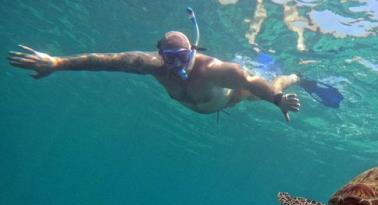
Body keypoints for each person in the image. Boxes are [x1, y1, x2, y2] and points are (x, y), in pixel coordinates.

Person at [7, 8, 300, 121]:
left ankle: (293, 77)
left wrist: (276, 100)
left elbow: (249, 82)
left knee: (266, 87)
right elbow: (102, 61)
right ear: (160, 55)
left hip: (232, 98)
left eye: (182, 58)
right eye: (169, 59)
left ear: (193, 51)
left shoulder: (215, 70)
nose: (176, 66)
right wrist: (56, 63)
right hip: (205, 106)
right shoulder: (151, 65)